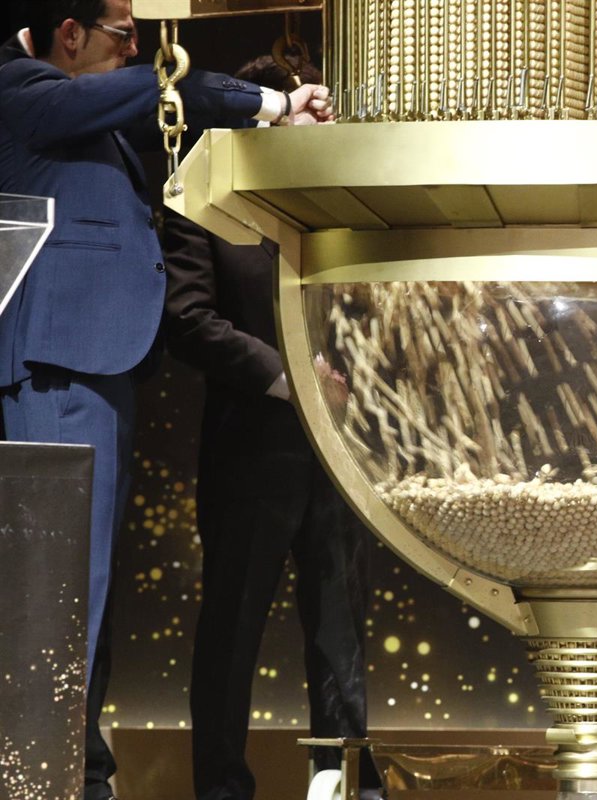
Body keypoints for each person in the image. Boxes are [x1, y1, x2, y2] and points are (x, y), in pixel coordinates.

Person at [0, 3, 331, 798]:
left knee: (83, 593)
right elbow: (168, 94)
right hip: (60, 367)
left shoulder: (73, 102)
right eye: (125, 35)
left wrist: (274, 121)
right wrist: (275, 102)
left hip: (92, 365)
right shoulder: (21, 87)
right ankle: (42, 781)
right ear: (70, 33)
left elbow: (170, 116)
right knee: (60, 596)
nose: (137, 51)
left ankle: (77, 774)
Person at [161, 55, 376, 800]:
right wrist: (291, 381)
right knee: (231, 631)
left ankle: (346, 780)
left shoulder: (341, 205)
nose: (316, 127)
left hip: (340, 450)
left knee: (341, 631)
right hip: (252, 447)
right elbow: (188, 319)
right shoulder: (202, 199)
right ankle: (222, 787)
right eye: (301, 113)